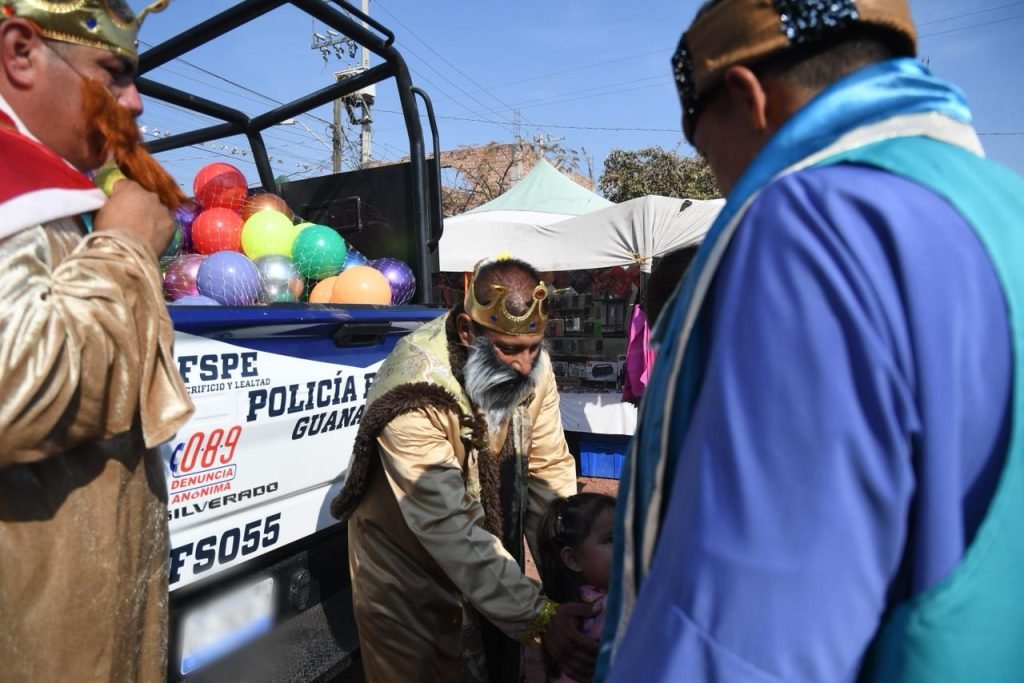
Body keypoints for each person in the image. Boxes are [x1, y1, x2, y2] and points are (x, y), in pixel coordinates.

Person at [601, 1, 1024, 681]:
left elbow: (745, 639)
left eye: (707, 152)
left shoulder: (815, 224)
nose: (719, 179)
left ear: (749, 97)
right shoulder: (1004, 205)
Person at [0, 2, 193, 681]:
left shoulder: (59, 194)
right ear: (21, 52)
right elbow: (14, 392)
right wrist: (124, 247)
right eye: (112, 73)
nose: (134, 102)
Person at [331, 256, 599, 682]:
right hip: (408, 574)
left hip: (488, 556)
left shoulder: (533, 365)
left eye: (533, 348)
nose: (524, 366)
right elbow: (447, 525)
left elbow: (548, 472)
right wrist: (541, 617)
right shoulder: (414, 389)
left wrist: (572, 578)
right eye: (509, 350)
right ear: (467, 332)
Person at [537, 493, 615, 683]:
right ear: (573, 560)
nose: (627, 544)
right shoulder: (608, 609)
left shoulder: (569, 603)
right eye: (611, 539)